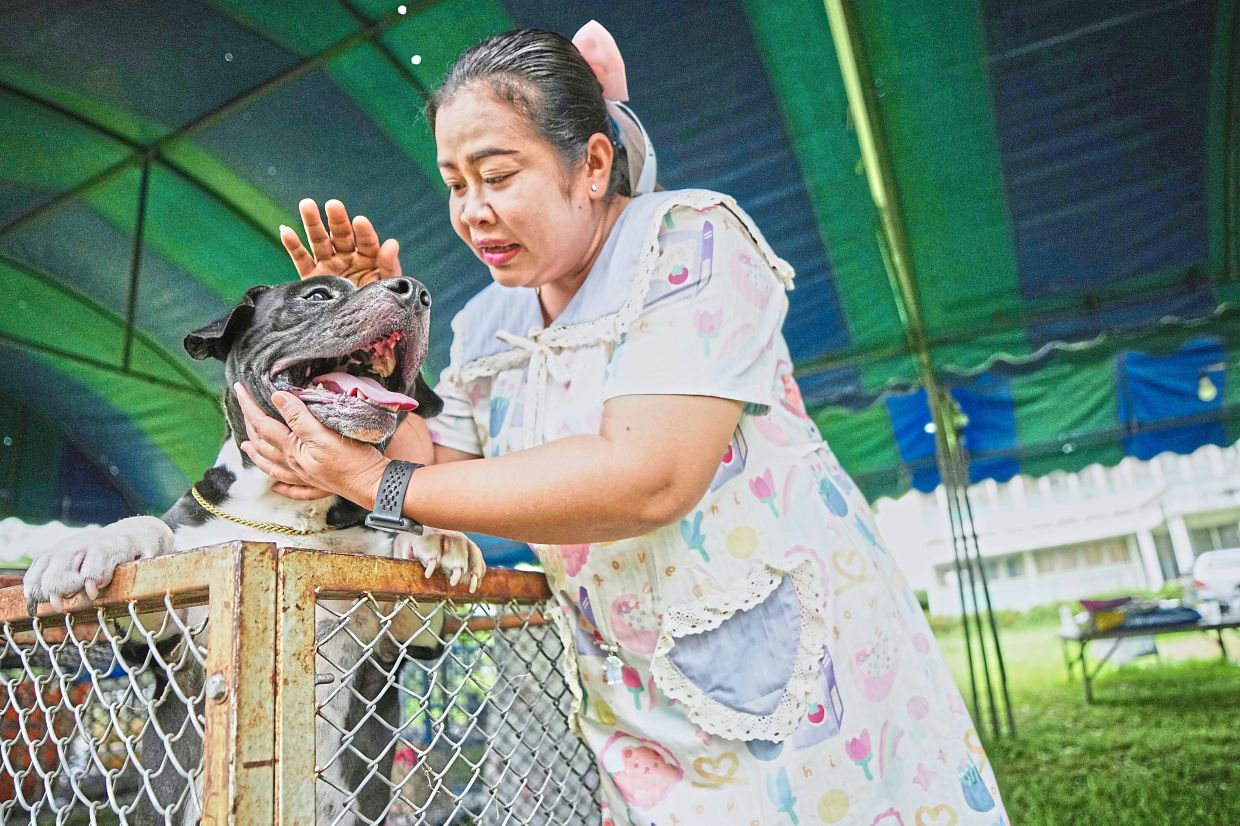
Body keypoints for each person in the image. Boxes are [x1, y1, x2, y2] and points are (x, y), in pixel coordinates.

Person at [235, 22, 1008, 826]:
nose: (472, 212)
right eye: (455, 184)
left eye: (497, 175)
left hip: (806, 695)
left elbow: (649, 478)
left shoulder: (691, 241)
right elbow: (436, 464)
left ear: (593, 164)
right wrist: (377, 341)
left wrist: (376, 482)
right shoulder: (486, 323)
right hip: (635, 707)